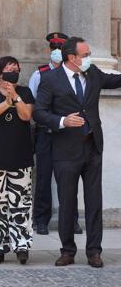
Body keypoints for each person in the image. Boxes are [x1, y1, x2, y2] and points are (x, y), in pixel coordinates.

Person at [33, 37, 121, 268]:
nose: (89, 58)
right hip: (65, 150)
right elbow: (39, 113)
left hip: (92, 147)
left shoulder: (92, 73)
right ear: (72, 58)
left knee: (94, 203)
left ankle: (94, 252)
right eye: (86, 54)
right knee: (67, 202)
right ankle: (67, 251)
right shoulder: (49, 78)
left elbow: (117, 80)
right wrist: (61, 121)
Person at [0, 56, 35, 264]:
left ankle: (21, 245)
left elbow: (26, 116)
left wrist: (16, 98)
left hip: (20, 157)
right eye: (9, 70)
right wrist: (6, 102)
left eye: (16, 70)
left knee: (21, 203)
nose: (13, 73)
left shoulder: (26, 92)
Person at [29, 32, 82, 235]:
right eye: (54, 49)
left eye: (60, 49)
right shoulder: (39, 74)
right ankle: (41, 220)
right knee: (43, 178)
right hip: (46, 133)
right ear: (50, 50)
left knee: (69, 178)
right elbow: (34, 105)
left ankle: (72, 220)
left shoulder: (75, 75)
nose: (57, 52)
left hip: (68, 134)